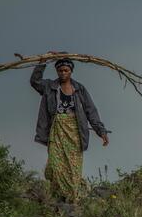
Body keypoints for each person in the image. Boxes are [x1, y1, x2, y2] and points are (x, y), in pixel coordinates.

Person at [30, 55, 109, 203]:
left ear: (71, 71)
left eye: (66, 70)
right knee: (55, 165)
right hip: (57, 130)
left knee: (73, 167)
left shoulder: (79, 89)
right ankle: (62, 193)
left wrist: (101, 131)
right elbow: (34, 82)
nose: (63, 73)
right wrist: (42, 63)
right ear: (57, 71)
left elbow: (91, 111)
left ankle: (72, 196)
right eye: (60, 70)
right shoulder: (49, 87)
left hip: (75, 132)